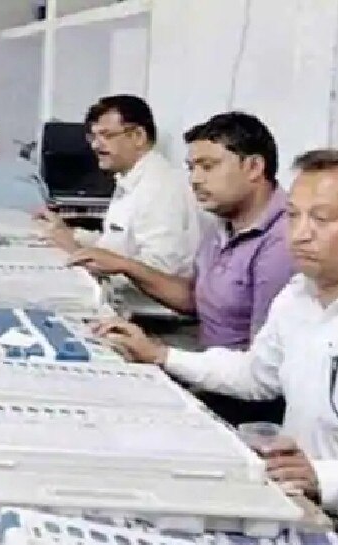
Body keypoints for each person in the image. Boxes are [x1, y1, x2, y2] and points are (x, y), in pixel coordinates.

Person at [94, 149, 338, 513]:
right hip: (297, 499)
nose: (300, 234)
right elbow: (255, 375)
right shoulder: (297, 297)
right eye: (293, 216)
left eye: (321, 219)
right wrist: (161, 355)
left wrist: (323, 477)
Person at [69, 112, 295, 425]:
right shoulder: (223, 222)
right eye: (192, 168)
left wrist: (160, 354)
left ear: (254, 167)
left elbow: (261, 374)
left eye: (208, 166)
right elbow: (194, 299)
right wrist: (124, 265)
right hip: (209, 372)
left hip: (245, 402)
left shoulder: (283, 241)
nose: (195, 179)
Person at [35, 95, 203, 278]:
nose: (95, 145)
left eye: (106, 135)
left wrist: (74, 250)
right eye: (93, 136)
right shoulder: (131, 178)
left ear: (138, 136)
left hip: (138, 297)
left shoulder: (160, 188)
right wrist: (69, 233)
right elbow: (114, 247)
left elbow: (157, 274)